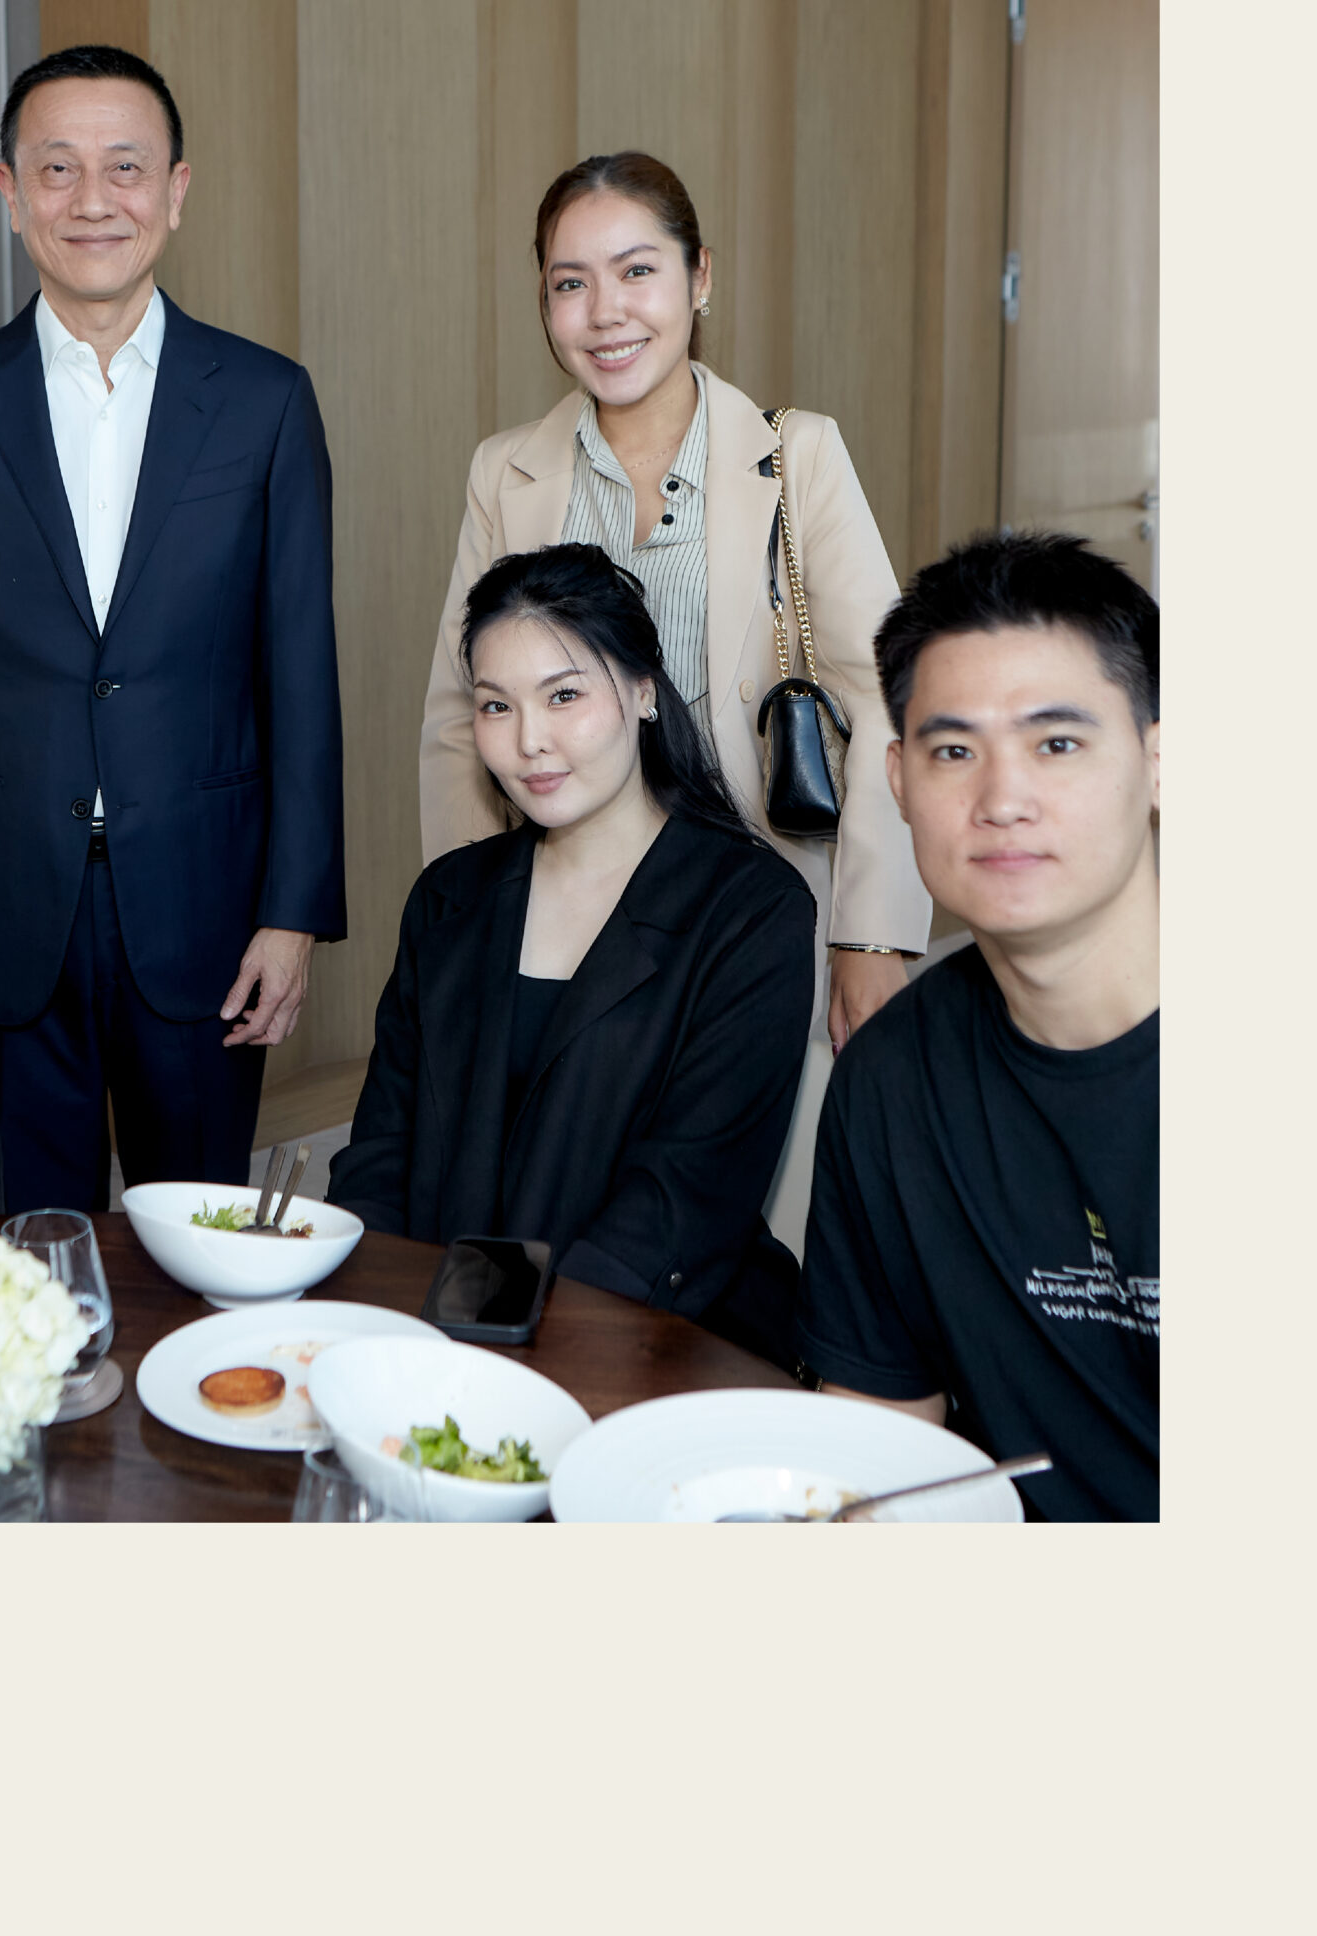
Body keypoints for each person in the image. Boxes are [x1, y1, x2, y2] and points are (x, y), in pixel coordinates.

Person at [0, 45, 346, 1215]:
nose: (91, 199)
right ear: (9, 192)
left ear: (174, 191)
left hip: (205, 904)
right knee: (39, 1250)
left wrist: (292, 912)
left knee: (204, 1238)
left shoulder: (266, 401)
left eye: (123, 167)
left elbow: (299, 675)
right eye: (56, 167)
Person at [419, 152, 929, 1057]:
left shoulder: (799, 457)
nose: (605, 312)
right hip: (565, 915)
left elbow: (888, 699)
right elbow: (464, 714)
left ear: (700, 278)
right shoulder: (506, 471)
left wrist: (872, 934)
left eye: (637, 271)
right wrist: (462, 926)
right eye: (570, 283)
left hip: (757, 908)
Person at [330, 544, 816, 1351]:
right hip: (438, 1344)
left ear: (643, 690)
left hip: (653, 1351)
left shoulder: (749, 910)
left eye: (564, 695)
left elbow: (683, 1201)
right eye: (496, 706)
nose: (530, 742)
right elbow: (380, 1157)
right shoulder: (449, 899)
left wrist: (509, 1357)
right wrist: (370, 1334)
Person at [794, 532, 1159, 1521]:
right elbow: (880, 1452)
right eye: (953, 751)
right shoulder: (890, 1080)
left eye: (1056, 744)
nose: (1001, 800)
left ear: (1160, 760)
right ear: (897, 780)